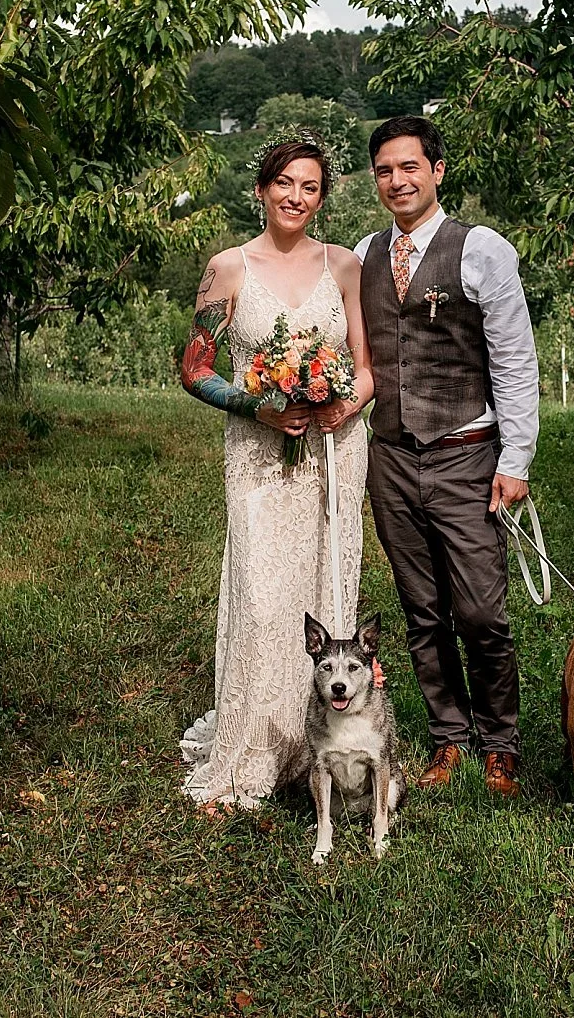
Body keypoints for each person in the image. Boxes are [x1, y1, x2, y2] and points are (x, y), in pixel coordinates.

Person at [177, 139, 374, 808]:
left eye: (310, 186)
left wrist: (346, 401)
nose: (296, 196)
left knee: (327, 585)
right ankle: (259, 748)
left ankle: (323, 746)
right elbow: (195, 368)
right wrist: (253, 406)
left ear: (322, 197)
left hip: (333, 453)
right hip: (259, 455)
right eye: (284, 183)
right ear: (260, 189)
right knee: (265, 598)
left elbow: (368, 368)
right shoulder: (227, 268)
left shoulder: (344, 266)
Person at [354, 116, 538, 799]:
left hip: (466, 452)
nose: (397, 180)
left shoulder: (480, 249)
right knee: (421, 608)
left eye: (410, 167)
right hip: (392, 455)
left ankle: (501, 742)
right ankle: (449, 738)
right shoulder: (365, 254)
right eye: (384, 170)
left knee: (481, 613)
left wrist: (514, 459)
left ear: (437, 170)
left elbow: (515, 360)